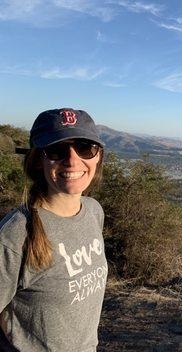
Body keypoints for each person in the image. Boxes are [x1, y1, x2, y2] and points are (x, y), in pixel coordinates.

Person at [0, 108, 107, 352]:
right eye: (57, 150)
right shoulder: (15, 235)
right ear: (38, 159)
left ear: (98, 156)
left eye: (84, 147)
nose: (72, 160)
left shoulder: (93, 212)